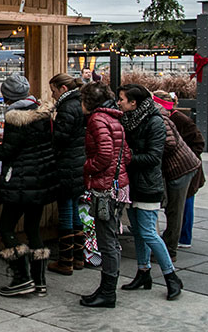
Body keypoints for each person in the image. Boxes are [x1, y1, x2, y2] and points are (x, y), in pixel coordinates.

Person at [0, 75, 58, 297]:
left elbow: (7, 152)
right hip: (40, 180)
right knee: (32, 229)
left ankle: (21, 277)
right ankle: (40, 281)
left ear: (7, 96)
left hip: (20, 182)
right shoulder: (42, 113)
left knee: (6, 227)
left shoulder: (16, 118)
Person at [117, 84, 183, 300]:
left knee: (148, 233)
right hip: (134, 185)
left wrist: (126, 158)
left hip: (148, 185)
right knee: (138, 231)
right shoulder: (129, 119)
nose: (119, 103)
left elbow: (154, 157)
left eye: (122, 99)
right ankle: (143, 272)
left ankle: (171, 277)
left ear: (134, 102)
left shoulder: (154, 121)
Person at [78, 82, 130, 308]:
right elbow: (125, 154)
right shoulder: (113, 118)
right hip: (117, 185)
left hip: (105, 187)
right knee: (110, 237)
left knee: (107, 240)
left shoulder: (97, 120)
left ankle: (108, 292)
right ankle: (106, 288)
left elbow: (105, 155)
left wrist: (87, 167)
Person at [151, 92, 207, 250]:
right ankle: (176, 236)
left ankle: (183, 237)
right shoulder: (170, 117)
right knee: (178, 206)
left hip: (185, 168)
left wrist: (182, 154)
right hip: (180, 167)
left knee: (183, 205)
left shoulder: (180, 119)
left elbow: (198, 143)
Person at [47, 73, 87, 275]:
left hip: (67, 165)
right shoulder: (79, 103)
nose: (52, 95)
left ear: (62, 89)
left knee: (66, 212)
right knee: (74, 210)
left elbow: (59, 139)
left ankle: (66, 260)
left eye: (53, 90)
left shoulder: (66, 107)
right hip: (78, 163)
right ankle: (78, 257)